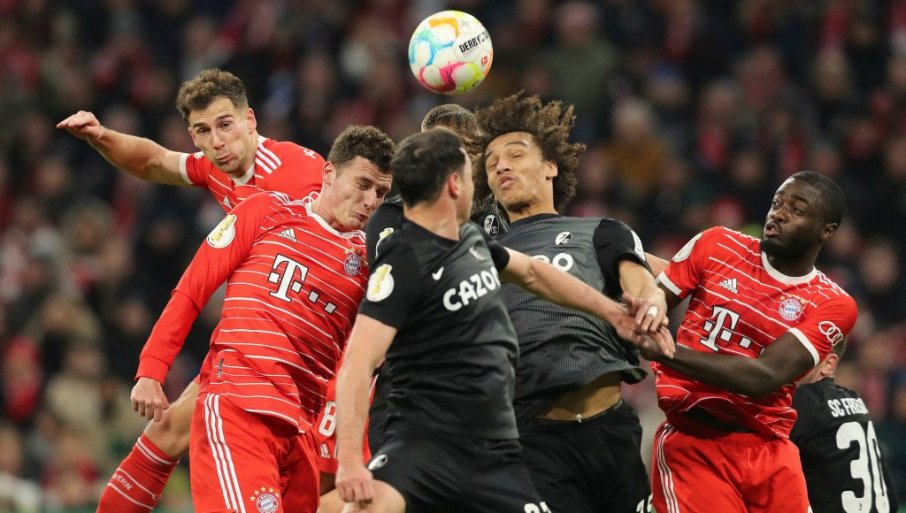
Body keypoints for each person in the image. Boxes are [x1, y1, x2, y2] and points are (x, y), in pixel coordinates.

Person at [332, 128, 672, 513]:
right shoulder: (403, 258)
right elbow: (359, 362)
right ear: (456, 185)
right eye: (480, 171)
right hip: (432, 439)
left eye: (514, 156)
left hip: (495, 454)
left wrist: (613, 312)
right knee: (367, 507)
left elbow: (535, 273)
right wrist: (349, 462)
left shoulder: (473, 244)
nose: (490, 179)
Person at [57, 68, 327, 513]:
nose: (217, 142)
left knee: (334, 491)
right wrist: (101, 136)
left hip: (316, 357)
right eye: (203, 131)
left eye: (225, 125)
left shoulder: (302, 176)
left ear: (250, 121)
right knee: (167, 431)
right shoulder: (217, 168)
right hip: (258, 347)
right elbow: (154, 161)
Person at [130, 124, 394, 513]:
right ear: (329, 173)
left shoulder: (371, 264)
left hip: (300, 432)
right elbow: (192, 290)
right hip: (239, 408)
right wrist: (152, 369)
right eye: (363, 184)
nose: (370, 201)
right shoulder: (266, 211)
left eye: (381, 193)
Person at [473, 92, 665, 513]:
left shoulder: (600, 231)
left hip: (611, 433)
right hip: (532, 444)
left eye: (515, 154)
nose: (501, 166)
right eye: (490, 163)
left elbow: (642, 281)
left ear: (551, 166)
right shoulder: (480, 250)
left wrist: (652, 304)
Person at [629, 171, 859, 513]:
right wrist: (645, 313)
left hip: (771, 451)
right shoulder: (716, 244)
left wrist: (666, 350)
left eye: (796, 210)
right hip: (695, 443)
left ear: (827, 231)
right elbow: (654, 303)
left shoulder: (833, 303)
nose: (779, 214)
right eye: (777, 203)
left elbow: (763, 377)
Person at [791, 339, 899, 513]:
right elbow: (888, 491)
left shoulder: (803, 400)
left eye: (800, 355)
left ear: (828, 364)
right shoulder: (855, 400)